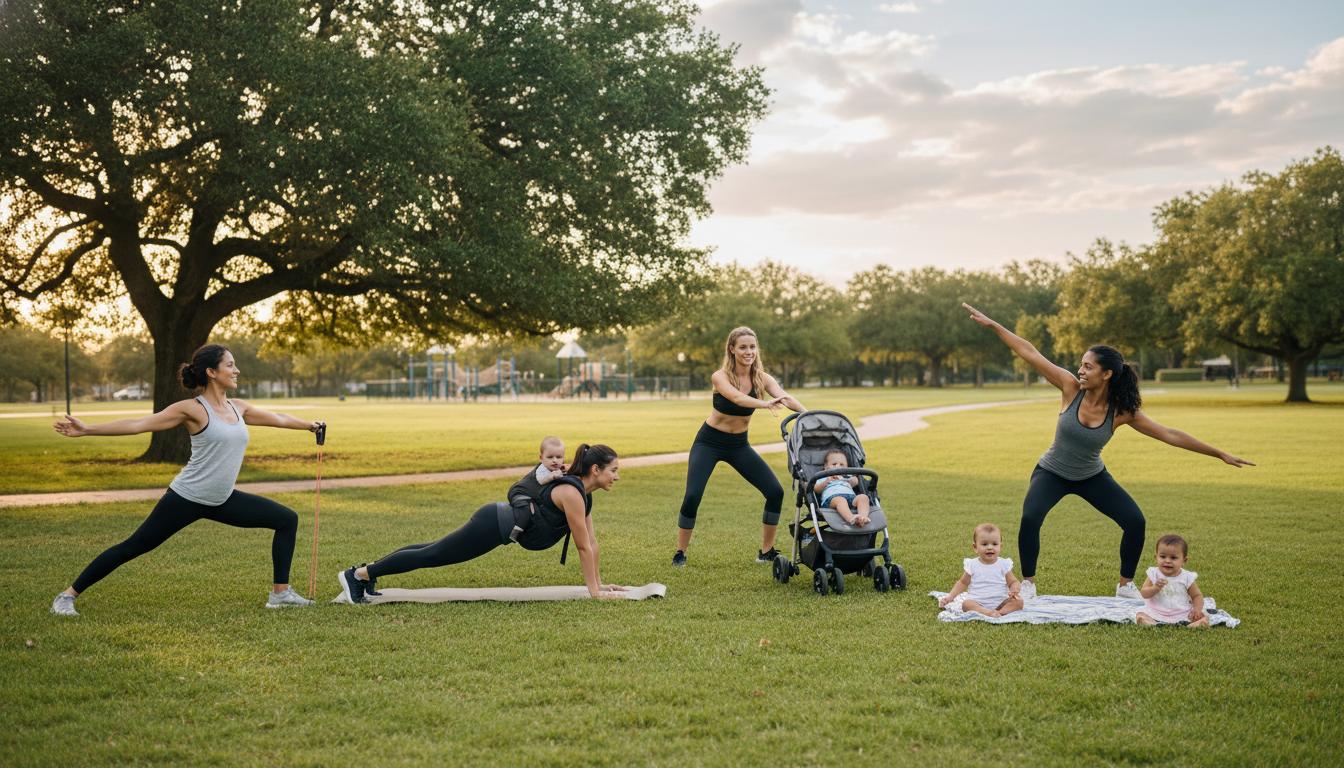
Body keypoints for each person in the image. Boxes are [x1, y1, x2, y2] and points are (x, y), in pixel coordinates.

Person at [962, 303, 1254, 600]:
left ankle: (1125, 585)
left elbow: (1169, 434)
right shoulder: (1070, 388)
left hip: (1091, 476)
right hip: (1051, 472)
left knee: (1134, 521)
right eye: (1081, 365)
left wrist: (1219, 453)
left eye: (1088, 366)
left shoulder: (1122, 412)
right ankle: (1028, 583)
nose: (1080, 370)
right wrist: (995, 325)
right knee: (1031, 517)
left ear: (1107, 374)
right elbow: (1030, 352)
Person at [49, 344, 324, 616]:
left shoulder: (238, 407)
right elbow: (139, 424)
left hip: (222, 499)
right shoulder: (192, 409)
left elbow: (277, 417)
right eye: (230, 365)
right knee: (133, 547)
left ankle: (280, 594)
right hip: (187, 498)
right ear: (211, 372)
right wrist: (88, 430)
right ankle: (66, 596)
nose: (237, 370)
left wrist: (309, 425)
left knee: (286, 519)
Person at [338, 444, 629, 602]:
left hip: (498, 523)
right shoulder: (571, 492)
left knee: (432, 549)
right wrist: (593, 593)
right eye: (613, 470)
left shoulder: (584, 495)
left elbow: (591, 543)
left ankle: (366, 573)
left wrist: (601, 585)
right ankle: (359, 575)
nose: (616, 476)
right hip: (494, 522)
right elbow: (581, 547)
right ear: (595, 469)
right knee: (434, 554)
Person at [671, 326, 805, 568]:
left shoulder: (762, 378)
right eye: (743, 347)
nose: (748, 351)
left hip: (738, 445)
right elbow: (737, 398)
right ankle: (680, 552)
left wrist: (809, 414)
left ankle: (766, 551)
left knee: (775, 491)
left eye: (752, 347)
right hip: (709, 442)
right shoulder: (720, 376)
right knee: (692, 495)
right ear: (732, 349)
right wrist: (765, 404)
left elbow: (785, 397)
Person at [938, 523, 1024, 618]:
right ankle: (988, 613)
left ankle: (1000, 612)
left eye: (994, 544)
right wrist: (950, 597)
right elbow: (962, 583)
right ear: (975, 547)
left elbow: (1013, 581)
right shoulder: (972, 565)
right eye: (984, 544)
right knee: (966, 604)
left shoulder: (1003, 564)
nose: (990, 547)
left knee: (1019, 602)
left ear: (1001, 546)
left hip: (1000, 603)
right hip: (978, 603)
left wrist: (1014, 589)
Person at [1135, 534, 1207, 628]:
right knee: (1140, 614)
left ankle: (1196, 624)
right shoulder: (1154, 574)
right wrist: (1155, 588)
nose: (1167, 561)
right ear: (1156, 557)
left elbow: (1197, 595)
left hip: (1182, 612)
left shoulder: (1186, 577)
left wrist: (1197, 609)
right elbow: (1144, 593)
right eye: (1163, 556)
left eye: (1173, 558)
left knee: (1203, 616)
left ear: (1184, 560)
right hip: (1155, 611)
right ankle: (1149, 622)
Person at [813, 450, 871, 526]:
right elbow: (816, 489)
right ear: (826, 467)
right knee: (841, 500)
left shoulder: (847, 477)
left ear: (846, 467)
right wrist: (826, 482)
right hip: (832, 499)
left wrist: (852, 480)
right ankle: (851, 518)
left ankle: (863, 517)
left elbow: (856, 482)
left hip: (851, 498)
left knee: (863, 497)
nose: (838, 466)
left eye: (842, 464)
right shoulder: (823, 477)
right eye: (834, 464)